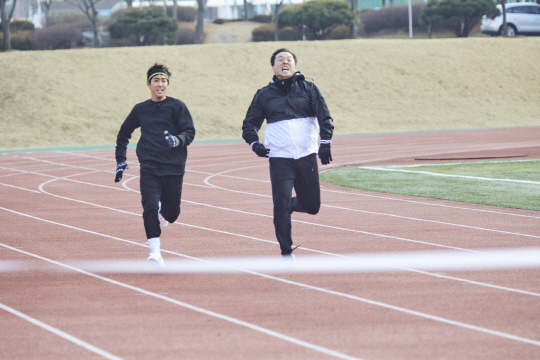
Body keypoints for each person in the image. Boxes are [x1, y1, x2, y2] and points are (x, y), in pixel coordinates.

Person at [241, 48, 334, 260]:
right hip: (280, 158)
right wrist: (254, 144)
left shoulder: (309, 88)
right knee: (280, 202)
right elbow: (249, 125)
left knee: (312, 206)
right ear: (273, 67)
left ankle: (290, 205)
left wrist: (325, 141)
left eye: (289, 59)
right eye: (280, 59)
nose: (285, 61)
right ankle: (286, 250)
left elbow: (324, 116)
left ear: (294, 65)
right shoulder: (264, 94)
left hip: (306, 156)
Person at [114, 63, 196, 267]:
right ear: (148, 84)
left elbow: (190, 132)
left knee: (172, 214)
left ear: (168, 84)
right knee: (149, 206)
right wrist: (120, 160)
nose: (160, 84)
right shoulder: (140, 109)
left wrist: (177, 140)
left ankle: (162, 214)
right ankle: (155, 254)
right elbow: (124, 134)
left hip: (174, 167)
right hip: (149, 167)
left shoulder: (178, 106)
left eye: (163, 81)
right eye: (156, 80)